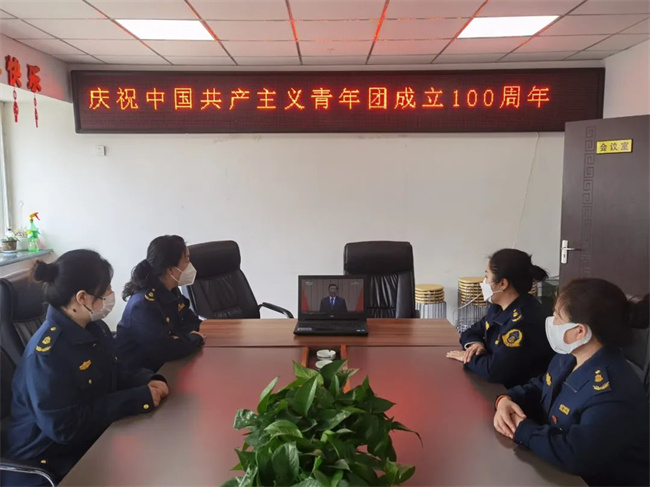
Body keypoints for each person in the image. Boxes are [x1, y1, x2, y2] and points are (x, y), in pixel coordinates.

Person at [3, 251, 168, 486]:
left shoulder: (94, 328)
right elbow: (66, 427)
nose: (110, 295)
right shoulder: (46, 355)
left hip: (89, 443)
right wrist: (137, 398)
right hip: (49, 464)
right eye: (105, 290)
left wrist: (148, 380)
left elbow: (115, 373)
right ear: (82, 297)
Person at [494, 278, 649, 486]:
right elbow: (542, 385)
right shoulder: (569, 357)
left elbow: (575, 454)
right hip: (554, 471)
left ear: (580, 331)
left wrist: (522, 430)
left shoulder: (613, 392)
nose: (551, 322)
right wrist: (507, 399)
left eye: (557, 317)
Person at [446, 249, 553, 387]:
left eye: (487, 276)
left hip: (516, 393)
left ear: (503, 284)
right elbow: (470, 331)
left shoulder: (523, 321)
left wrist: (468, 357)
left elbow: (494, 371)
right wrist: (475, 345)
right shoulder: (498, 308)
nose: (484, 282)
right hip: (496, 387)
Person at [115, 235, 205, 372]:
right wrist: (192, 338)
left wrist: (180, 339)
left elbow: (192, 321)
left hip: (170, 363)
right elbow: (165, 350)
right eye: (186, 261)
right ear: (170, 270)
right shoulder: (143, 305)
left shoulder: (172, 291)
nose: (190, 266)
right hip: (144, 374)